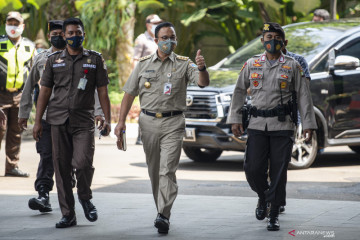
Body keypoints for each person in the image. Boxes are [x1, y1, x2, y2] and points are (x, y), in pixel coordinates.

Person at [115, 22, 210, 234]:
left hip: (173, 123)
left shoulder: (185, 64)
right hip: (148, 123)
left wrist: (202, 67)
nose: (169, 41)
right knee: (154, 171)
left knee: (167, 170)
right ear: (156, 40)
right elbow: (129, 94)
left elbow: (203, 82)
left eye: (172, 37)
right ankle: (161, 209)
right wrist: (121, 123)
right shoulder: (143, 64)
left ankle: (163, 215)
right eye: (165, 37)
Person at [227, 22, 317, 231]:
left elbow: (304, 97)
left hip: (283, 126)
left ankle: (274, 212)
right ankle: (263, 196)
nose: (272, 42)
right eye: (268, 38)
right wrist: (235, 119)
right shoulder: (251, 64)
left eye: (277, 38)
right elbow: (239, 91)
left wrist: (308, 124)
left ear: (284, 42)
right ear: (262, 41)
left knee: (278, 171)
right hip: (257, 125)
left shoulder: (293, 66)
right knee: (253, 169)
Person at [18, 20, 105, 213]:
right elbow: (33, 88)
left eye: (61, 33)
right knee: (48, 156)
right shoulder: (43, 58)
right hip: (50, 117)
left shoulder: (90, 59)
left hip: (79, 116)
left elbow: (97, 90)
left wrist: (100, 112)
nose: (60, 36)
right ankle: (43, 193)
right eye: (55, 34)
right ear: (52, 36)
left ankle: (80, 193)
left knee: (79, 161)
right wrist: (26, 114)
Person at [0, 11, 35, 177]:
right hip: (1, 95)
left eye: (16, 24)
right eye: (10, 23)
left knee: (15, 131)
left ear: (23, 26)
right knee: (0, 129)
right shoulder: (0, 43)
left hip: (20, 95)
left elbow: (36, 72)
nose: (12, 27)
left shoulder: (30, 46)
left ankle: (12, 166)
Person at [133, 14, 163, 145]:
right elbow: (135, 60)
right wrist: (136, 79)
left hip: (161, 78)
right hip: (146, 79)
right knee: (145, 107)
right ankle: (140, 136)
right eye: (154, 23)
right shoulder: (142, 39)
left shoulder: (160, 39)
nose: (157, 25)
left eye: (159, 22)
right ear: (148, 24)